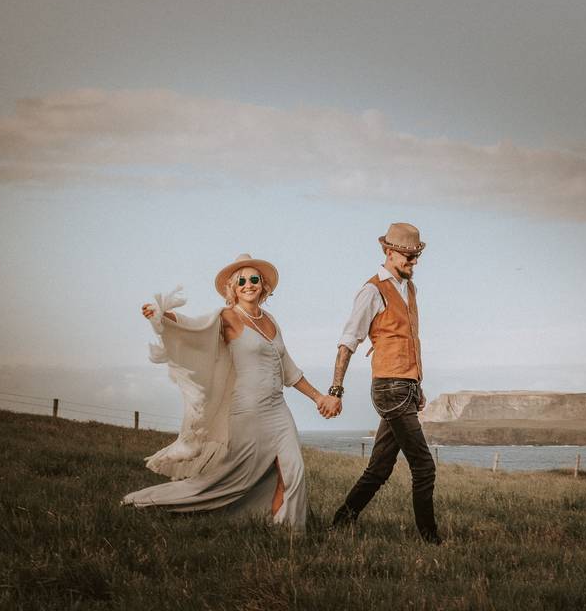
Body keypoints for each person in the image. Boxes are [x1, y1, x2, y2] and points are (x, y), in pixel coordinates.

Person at [121, 254, 339, 530]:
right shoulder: (229, 317)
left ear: (263, 286)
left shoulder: (270, 320)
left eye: (254, 279)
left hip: (277, 409)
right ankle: (148, 502)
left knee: (293, 470)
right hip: (247, 412)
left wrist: (319, 397)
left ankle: (287, 534)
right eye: (241, 281)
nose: (248, 285)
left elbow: (288, 367)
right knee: (233, 479)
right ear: (233, 289)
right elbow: (194, 328)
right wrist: (162, 314)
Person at [325, 223, 442, 544]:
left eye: (415, 257)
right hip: (389, 387)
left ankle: (339, 524)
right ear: (388, 253)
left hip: (404, 386)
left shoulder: (410, 290)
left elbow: (408, 341)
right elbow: (348, 342)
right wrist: (336, 390)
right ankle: (431, 540)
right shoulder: (372, 291)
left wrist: (416, 384)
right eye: (407, 257)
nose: (412, 263)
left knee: (379, 468)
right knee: (424, 468)